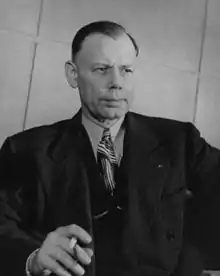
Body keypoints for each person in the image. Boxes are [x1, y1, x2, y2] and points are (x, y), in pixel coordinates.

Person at [0, 20, 220, 276]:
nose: (117, 82)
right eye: (102, 69)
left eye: (126, 70)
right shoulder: (25, 150)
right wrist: (33, 258)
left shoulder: (180, 141)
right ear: (73, 74)